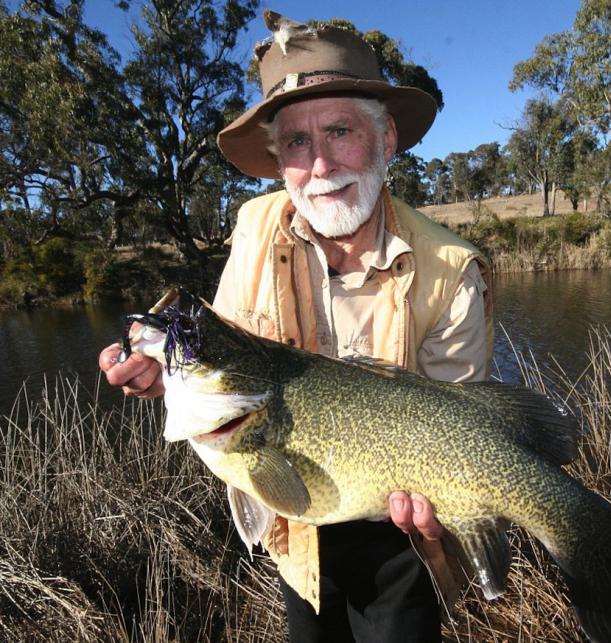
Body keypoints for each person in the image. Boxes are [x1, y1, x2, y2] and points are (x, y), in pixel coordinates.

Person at [99, 11, 492, 643]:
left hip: (398, 535)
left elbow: (466, 416)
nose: (320, 165)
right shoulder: (254, 227)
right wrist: (158, 375)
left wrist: (437, 517)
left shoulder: (453, 272)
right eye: (298, 144)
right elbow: (224, 354)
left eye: (340, 131)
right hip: (294, 529)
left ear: (387, 138)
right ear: (278, 159)